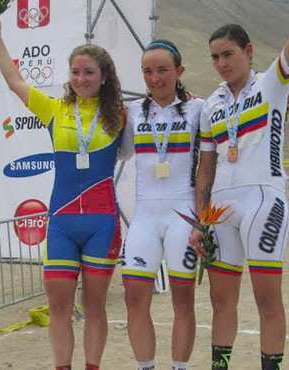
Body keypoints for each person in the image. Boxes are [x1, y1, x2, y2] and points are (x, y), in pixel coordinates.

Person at [0, 14, 124, 370]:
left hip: (102, 224)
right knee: (59, 306)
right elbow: (14, 80)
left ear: (104, 76)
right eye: (76, 72)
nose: (81, 79)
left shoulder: (122, 116)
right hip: (61, 224)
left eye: (89, 73)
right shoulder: (55, 109)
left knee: (95, 306)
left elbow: (165, 112)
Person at [189, 1, 289, 369]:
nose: (221, 63)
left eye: (227, 54)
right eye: (214, 57)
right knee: (221, 302)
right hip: (220, 208)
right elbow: (205, 171)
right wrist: (200, 220)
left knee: (266, 300)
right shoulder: (212, 104)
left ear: (248, 51)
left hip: (264, 199)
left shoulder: (273, 83)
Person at [119, 39, 204, 370]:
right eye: (148, 72)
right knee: (134, 299)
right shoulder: (134, 113)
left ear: (179, 71)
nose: (155, 78)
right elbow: (122, 152)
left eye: (163, 70)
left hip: (183, 217)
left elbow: (215, 159)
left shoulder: (200, 109)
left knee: (183, 301)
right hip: (144, 218)